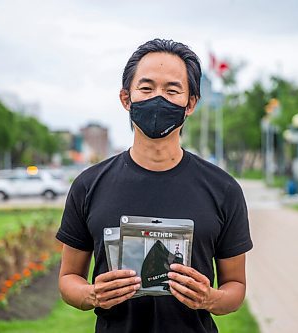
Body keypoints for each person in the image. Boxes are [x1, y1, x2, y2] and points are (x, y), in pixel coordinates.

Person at [56, 38, 253, 333]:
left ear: (191, 103)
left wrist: (209, 298)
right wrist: (92, 294)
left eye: (172, 90)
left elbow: (235, 287)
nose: (158, 99)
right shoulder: (88, 185)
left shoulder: (223, 189)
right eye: (146, 88)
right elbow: (68, 278)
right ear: (126, 99)